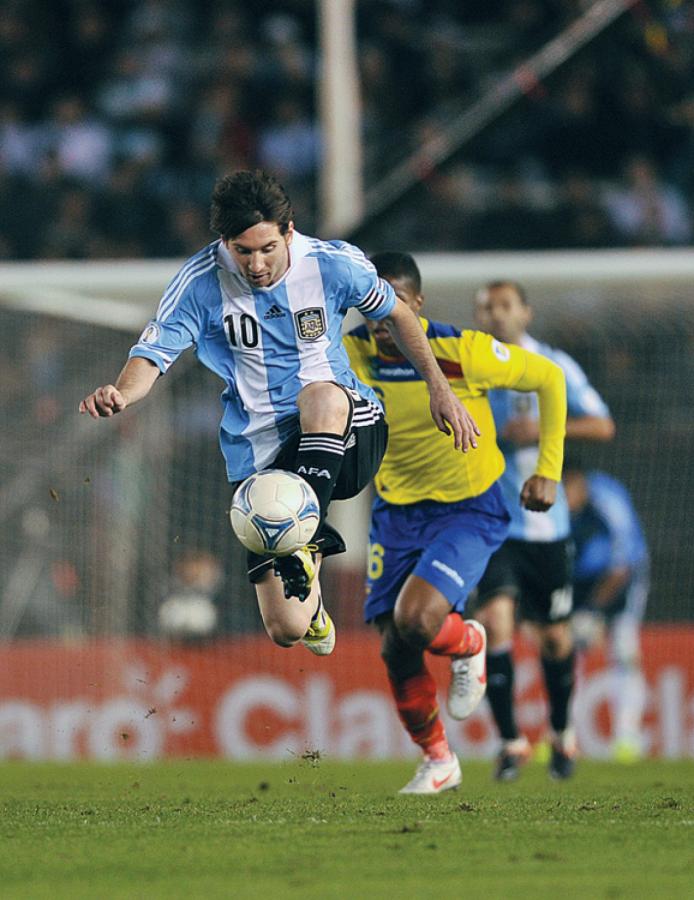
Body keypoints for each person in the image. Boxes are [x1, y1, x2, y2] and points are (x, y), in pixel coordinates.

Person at [79, 169, 478, 658]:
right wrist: (122, 393)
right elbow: (154, 354)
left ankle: (307, 535)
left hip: (348, 428)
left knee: (320, 395)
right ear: (224, 242)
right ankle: (309, 596)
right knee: (286, 628)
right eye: (243, 251)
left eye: (267, 248)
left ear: (288, 231)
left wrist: (439, 388)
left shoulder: (332, 265)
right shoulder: (200, 282)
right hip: (261, 455)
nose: (256, 263)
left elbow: (397, 314)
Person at [344, 254, 567, 794]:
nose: (383, 318)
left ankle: (469, 641)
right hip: (396, 512)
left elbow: (549, 377)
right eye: (374, 305)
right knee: (395, 646)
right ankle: (439, 760)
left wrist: (549, 470)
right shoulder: (352, 352)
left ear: (416, 303)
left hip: (469, 508)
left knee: (416, 621)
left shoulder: (461, 351)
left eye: (395, 304)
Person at [473, 280, 615, 781]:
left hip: (546, 527)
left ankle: (561, 731)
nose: (496, 315)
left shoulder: (554, 368)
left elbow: (602, 425)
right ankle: (512, 742)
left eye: (505, 305)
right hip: (490, 525)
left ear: (526, 313)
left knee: (555, 640)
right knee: (496, 622)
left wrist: (542, 432)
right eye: (487, 307)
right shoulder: (471, 365)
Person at [563, 464, 649, 762]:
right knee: (567, 654)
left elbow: (623, 564)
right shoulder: (555, 503)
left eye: (565, 489)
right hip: (579, 581)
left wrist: (593, 610)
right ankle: (563, 736)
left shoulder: (607, 499)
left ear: (576, 481)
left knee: (624, 651)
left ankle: (627, 738)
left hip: (621, 579)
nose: (562, 498)